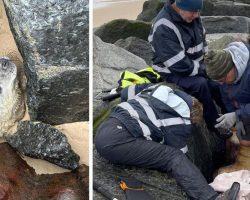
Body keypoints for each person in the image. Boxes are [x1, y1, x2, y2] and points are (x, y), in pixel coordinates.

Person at [95, 83, 227, 199]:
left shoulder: (157, 89)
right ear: (191, 116)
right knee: (173, 157)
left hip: (107, 126)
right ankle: (210, 197)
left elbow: (126, 91)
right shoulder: (179, 121)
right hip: (115, 141)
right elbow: (178, 156)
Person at [148, 0, 226, 136]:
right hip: (171, 71)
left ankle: (232, 116)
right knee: (201, 85)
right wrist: (204, 71)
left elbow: (203, 42)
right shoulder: (163, 26)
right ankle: (215, 125)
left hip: (195, 66)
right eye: (194, 12)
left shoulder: (192, 16)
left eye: (198, 11)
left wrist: (209, 64)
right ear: (179, 7)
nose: (197, 15)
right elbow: (179, 65)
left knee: (216, 84)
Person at [205, 41, 250, 141]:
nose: (221, 84)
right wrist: (234, 117)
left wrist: (236, 115)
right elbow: (227, 98)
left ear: (232, 68)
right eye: (218, 81)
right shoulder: (226, 78)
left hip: (245, 111)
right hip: (244, 112)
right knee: (244, 141)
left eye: (222, 80)